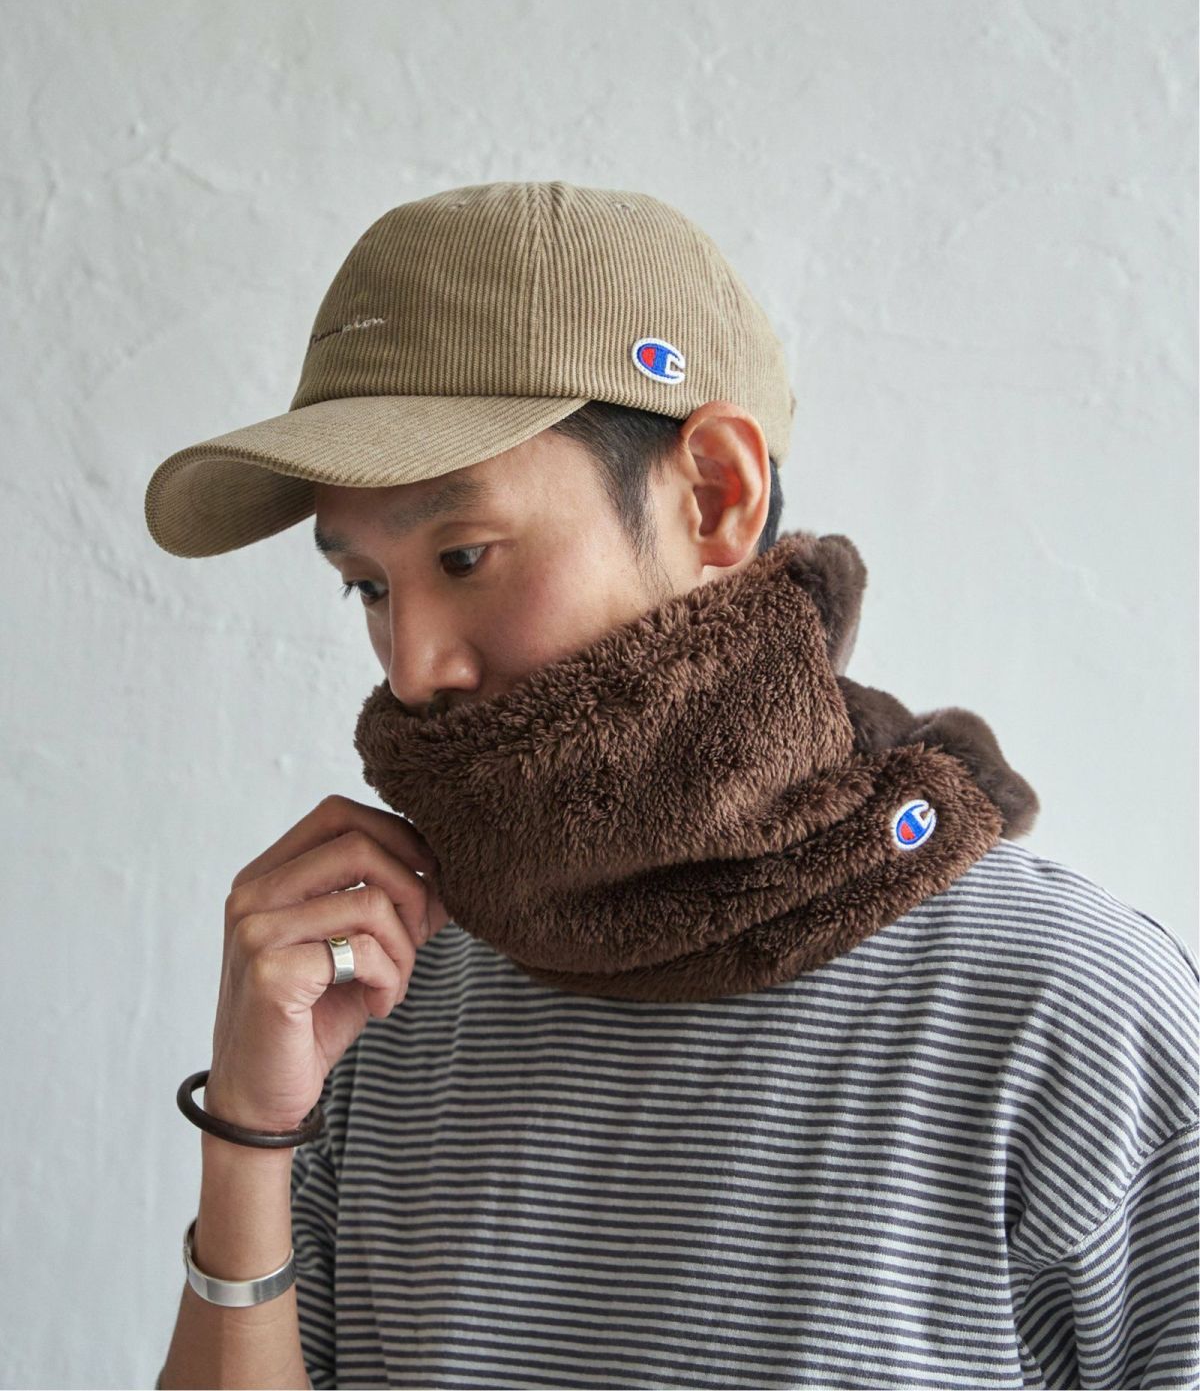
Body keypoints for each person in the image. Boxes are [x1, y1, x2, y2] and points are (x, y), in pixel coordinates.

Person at [146, 181, 1199, 1390]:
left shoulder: (1058, 1011)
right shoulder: (379, 1002)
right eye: (368, 587)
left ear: (715, 494)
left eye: (464, 555)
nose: (413, 666)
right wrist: (250, 1131)